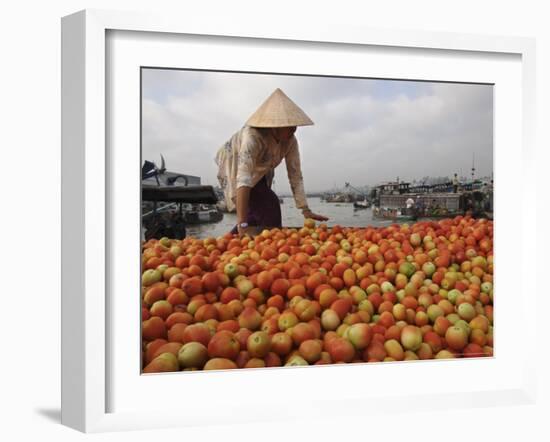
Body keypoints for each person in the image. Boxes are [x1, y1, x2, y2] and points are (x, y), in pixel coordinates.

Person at [215, 88, 328, 236]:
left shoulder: (290, 141)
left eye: (295, 125)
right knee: (268, 204)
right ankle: (259, 239)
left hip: (261, 168)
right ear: (275, 126)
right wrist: (242, 223)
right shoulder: (253, 137)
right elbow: (243, 178)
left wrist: (305, 209)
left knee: (257, 212)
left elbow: (295, 174)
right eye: (289, 126)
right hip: (235, 164)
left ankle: (236, 241)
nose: (294, 129)